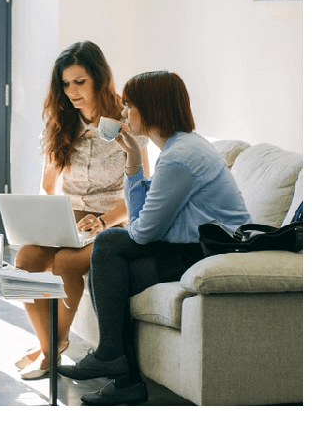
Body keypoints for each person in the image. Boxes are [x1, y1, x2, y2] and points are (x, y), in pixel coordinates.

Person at [57, 71, 251, 405]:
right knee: (118, 270)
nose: (123, 114)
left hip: (212, 254)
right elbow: (144, 221)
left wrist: (130, 215)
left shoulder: (180, 157)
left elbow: (143, 231)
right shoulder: (177, 148)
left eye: (129, 105)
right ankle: (126, 381)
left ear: (151, 108)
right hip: (195, 248)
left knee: (108, 244)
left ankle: (111, 357)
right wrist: (133, 159)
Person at [13, 41, 150, 380]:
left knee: (66, 262)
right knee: (25, 261)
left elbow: (141, 191)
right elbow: (48, 185)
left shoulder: (127, 122)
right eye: (65, 83)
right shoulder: (62, 121)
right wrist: (48, 219)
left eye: (79, 82)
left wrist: (103, 221)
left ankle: (50, 350)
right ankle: (50, 347)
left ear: (99, 79)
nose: (71, 91)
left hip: (113, 220)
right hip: (70, 215)